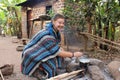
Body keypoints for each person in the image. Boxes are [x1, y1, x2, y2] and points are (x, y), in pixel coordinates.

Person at [21, 13, 83, 79]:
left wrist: (63, 51)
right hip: (31, 54)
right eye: (59, 22)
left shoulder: (55, 32)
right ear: (53, 21)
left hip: (38, 50)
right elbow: (57, 52)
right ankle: (39, 72)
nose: (61, 25)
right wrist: (73, 54)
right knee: (51, 66)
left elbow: (55, 46)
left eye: (63, 23)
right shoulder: (47, 35)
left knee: (59, 57)